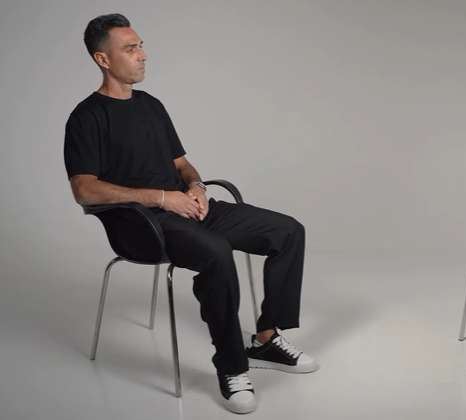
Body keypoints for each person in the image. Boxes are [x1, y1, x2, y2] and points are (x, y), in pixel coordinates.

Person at [64, 13, 318, 414]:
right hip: (139, 224)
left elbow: (182, 165)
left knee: (287, 231)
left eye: (141, 45)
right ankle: (232, 367)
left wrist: (196, 187)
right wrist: (163, 199)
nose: (143, 55)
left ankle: (266, 339)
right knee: (216, 252)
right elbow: (84, 189)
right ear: (103, 60)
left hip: (188, 207)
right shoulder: (86, 117)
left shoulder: (151, 106)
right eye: (130, 49)